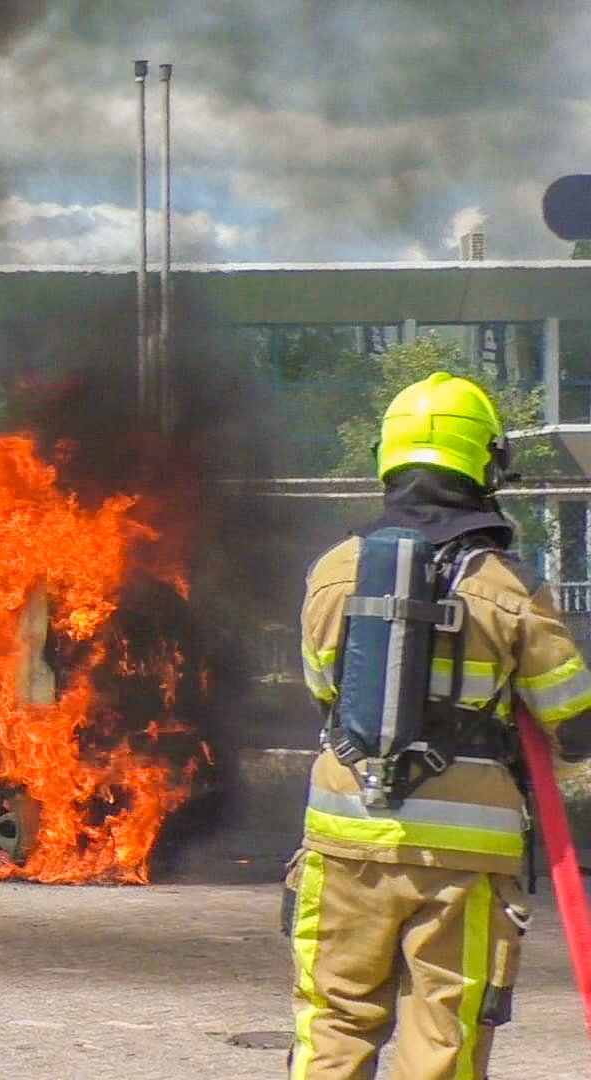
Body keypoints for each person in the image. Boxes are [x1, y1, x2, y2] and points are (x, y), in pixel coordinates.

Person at [289, 371, 591, 1078]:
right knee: (445, 1038)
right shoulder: (510, 587)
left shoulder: (332, 572)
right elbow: (573, 722)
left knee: (332, 1021)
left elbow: (320, 691)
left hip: (344, 838)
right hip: (463, 856)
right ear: (488, 462)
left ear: (385, 457)